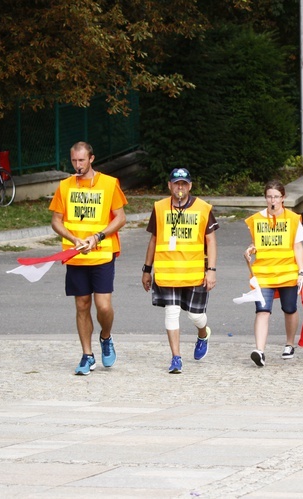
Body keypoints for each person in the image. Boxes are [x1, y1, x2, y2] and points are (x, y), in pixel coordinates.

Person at [49, 141, 127, 375]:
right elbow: (56, 221)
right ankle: (87, 355)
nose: (77, 165)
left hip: (101, 254)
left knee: (103, 306)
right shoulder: (65, 186)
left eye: (82, 160)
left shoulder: (109, 183)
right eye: (74, 160)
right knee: (82, 305)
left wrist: (98, 236)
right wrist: (73, 240)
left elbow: (120, 218)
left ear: (91, 159)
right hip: (75, 256)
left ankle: (105, 336)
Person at [142, 168, 217, 374]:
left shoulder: (202, 208)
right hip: (167, 271)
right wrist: (147, 270)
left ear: (190, 186)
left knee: (195, 315)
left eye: (184, 183)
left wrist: (211, 270)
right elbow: (154, 240)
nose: (180, 187)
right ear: (169, 186)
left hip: (194, 271)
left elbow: (210, 241)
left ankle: (203, 334)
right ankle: (176, 358)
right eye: (176, 184)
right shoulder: (159, 208)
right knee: (172, 312)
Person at [244, 180, 303, 367]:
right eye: (269, 196)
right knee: (262, 310)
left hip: (287, 271)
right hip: (263, 273)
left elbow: (297, 246)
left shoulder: (293, 219)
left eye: (276, 197)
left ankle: (289, 343)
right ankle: (260, 350)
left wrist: (302, 271)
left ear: (283, 198)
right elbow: (256, 243)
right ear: (265, 197)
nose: (273, 200)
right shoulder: (256, 219)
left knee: (289, 308)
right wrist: (250, 250)